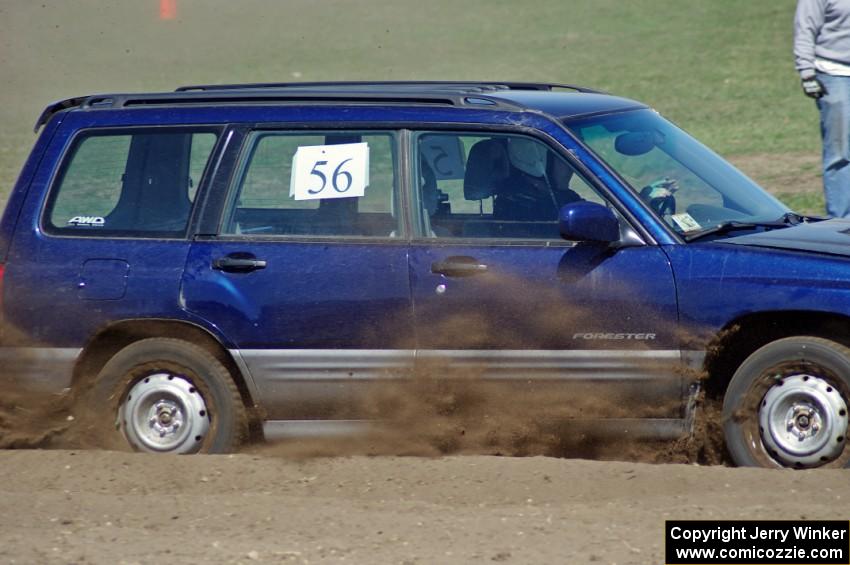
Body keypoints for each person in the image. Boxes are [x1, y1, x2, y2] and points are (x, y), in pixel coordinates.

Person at [794, 0, 850, 217]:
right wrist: (807, 71)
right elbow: (805, 26)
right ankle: (842, 220)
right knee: (840, 151)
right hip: (834, 73)